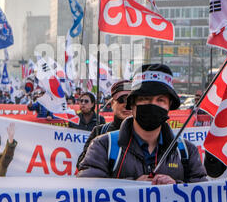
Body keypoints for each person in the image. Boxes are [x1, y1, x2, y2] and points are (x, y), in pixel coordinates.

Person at [77, 64, 208, 185]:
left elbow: (204, 198)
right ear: (132, 105)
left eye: (160, 100)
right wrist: (132, 186)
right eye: (145, 99)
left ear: (169, 106)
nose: (152, 104)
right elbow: (87, 195)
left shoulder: (187, 151)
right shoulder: (103, 146)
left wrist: (176, 187)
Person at [76, 80, 132, 170]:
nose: (127, 106)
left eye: (131, 100)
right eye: (121, 100)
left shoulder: (147, 134)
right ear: (113, 103)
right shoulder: (99, 131)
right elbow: (82, 165)